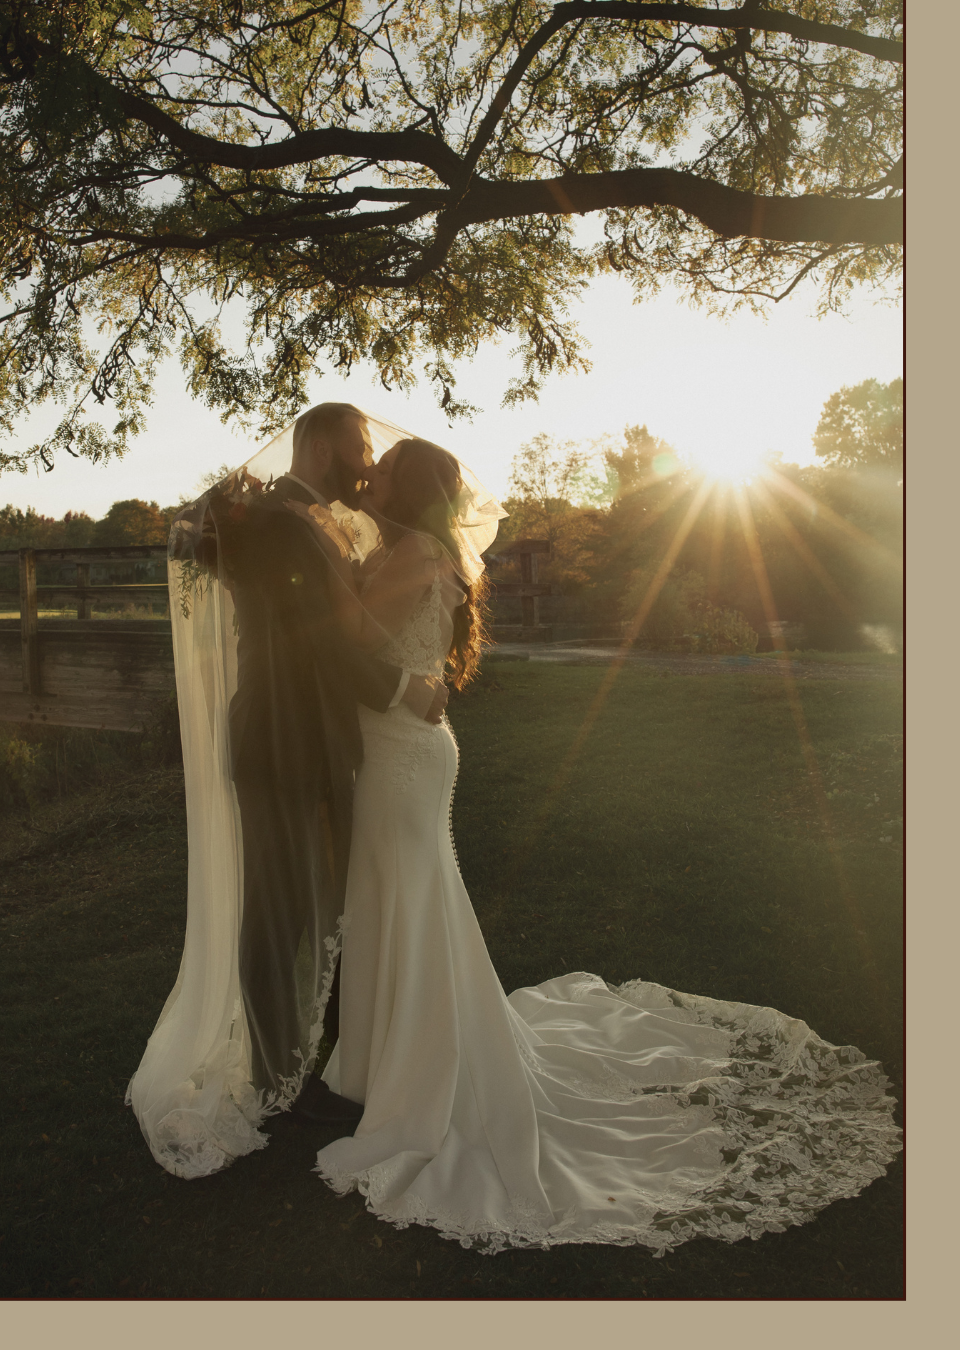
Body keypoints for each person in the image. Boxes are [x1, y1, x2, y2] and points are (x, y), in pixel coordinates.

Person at [282, 433, 902, 1256]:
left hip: (400, 751)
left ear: (411, 488)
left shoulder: (414, 554)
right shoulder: (415, 547)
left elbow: (355, 636)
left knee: (405, 902)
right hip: (402, 746)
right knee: (403, 902)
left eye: (385, 469)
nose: (371, 475)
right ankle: (383, 1060)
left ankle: (414, 1074)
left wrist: (317, 563)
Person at [125, 406, 455, 1176]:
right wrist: (405, 689)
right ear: (318, 441)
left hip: (324, 742)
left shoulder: (311, 520)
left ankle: (334, 1058)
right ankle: (281, 1082)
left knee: (326, 907)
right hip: (278, 737)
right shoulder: (275, 521)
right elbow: (321, 638)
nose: (367, 461)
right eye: (359, 445)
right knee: (278, 912)